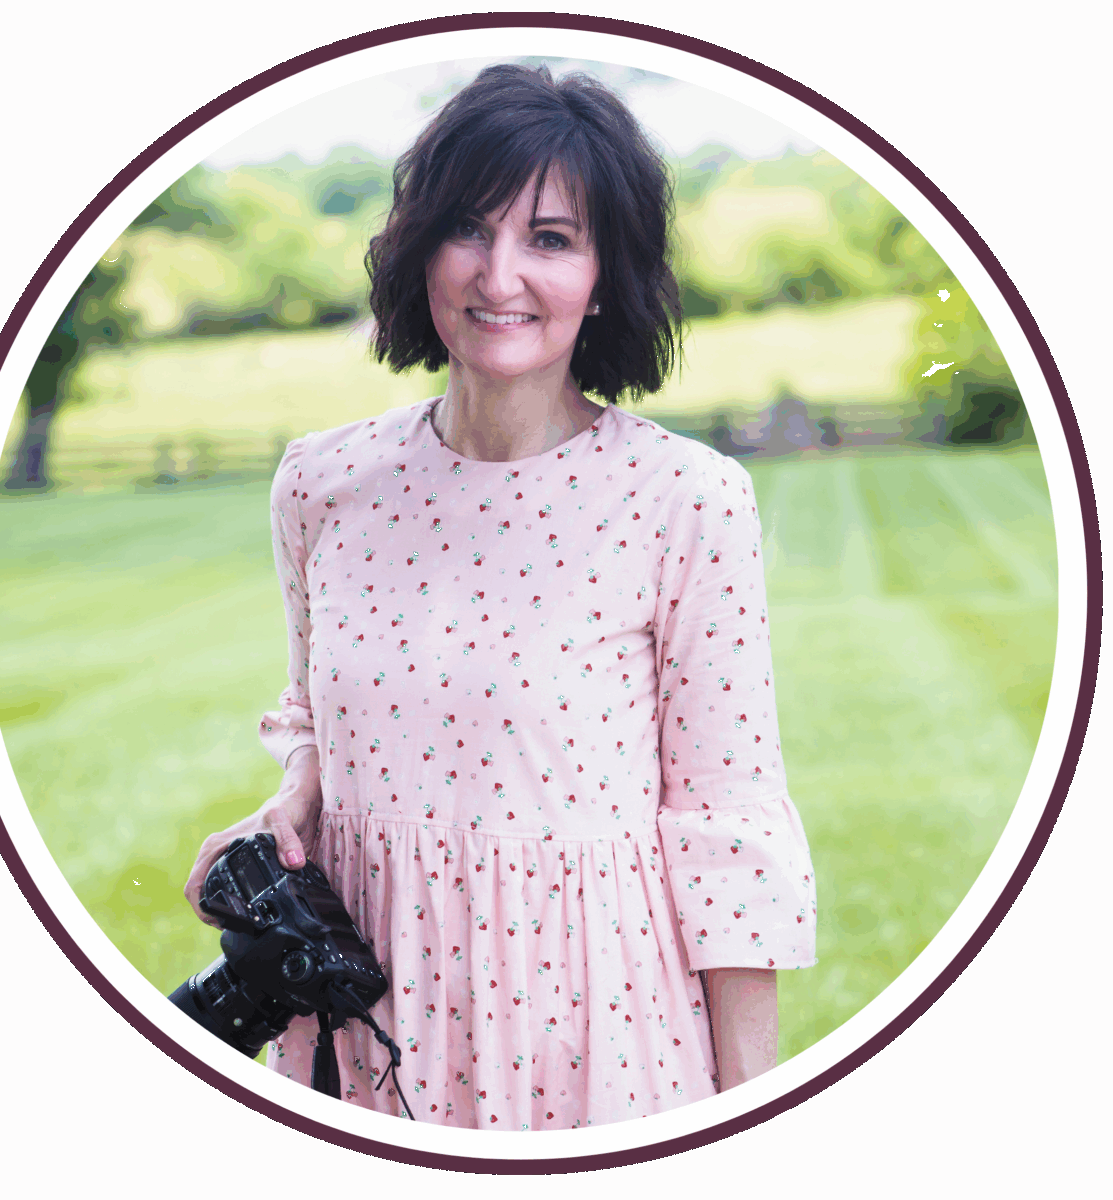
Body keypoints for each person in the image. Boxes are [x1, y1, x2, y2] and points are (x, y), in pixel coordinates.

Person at [185, 63, 816, 1130]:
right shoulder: (322, 483)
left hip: (593, 1035)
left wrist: (745, 1109)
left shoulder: (687, 500)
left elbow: (727, 826)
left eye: (552, 239)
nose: (499, 274)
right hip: (358, 1029)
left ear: (607, 274)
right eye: (468, 229)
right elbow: (312, 706)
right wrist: (301, 782)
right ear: (418, 248)